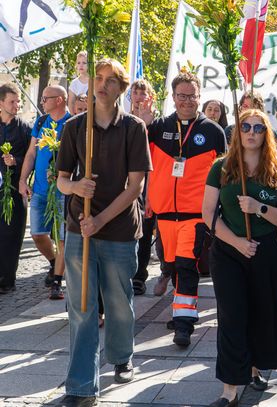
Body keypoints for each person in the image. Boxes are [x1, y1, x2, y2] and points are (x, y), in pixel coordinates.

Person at [55, 58, 152, 407]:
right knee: (81, 308)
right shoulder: (74, 127)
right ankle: (81, 386)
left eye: (111, 80)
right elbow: (62, 180)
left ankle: (122, 355)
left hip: (120, 228)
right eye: (98, 77)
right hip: (80, 229)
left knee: (118, 303)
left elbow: (135, 186)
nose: (102, 84)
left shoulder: (134, 128)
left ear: (121, 89)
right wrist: (77, 187)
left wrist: (102, 219)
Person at [202, 108, 277, 406]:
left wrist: (259, 208)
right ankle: (229, 389)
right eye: (245, 127)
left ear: (266, 133)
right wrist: (237, 242)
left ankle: (255, 367)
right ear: (237, 133)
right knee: (231, 316)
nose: (251, 132)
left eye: (258, 127)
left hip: (267, 250)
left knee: (263, 313)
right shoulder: (221, 167)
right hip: (229, 251)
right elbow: (207, 214)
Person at [139, 70, 227, 347]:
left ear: (199, 97)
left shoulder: (213, 131)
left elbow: (223, 174)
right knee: (172, 264)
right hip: (164, 213)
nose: (187, 101)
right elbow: (143, 162)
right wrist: (142, 123)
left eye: (192, 96)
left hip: (195, 213)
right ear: (173, 97)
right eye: (182, 96)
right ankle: (182, 309)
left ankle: (184, 324)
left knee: (187, 265)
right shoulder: (157, 127)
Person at [19, 85, 71, 299]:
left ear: (59, 100)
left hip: (62, 192)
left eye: (45, 99)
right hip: (40, 189)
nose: (42, 102)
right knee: (38, 234)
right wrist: (23, 180)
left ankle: (57, 282)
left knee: (61, 239)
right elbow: (32, 153)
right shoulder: (41, 122)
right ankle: (53, 263)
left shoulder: (72, 123)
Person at [0, 83, 32, 293]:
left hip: (15, 188)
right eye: (12, 101)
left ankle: (7, 279)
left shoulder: (25, 129)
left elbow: (32, 158)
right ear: (1, 103)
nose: (16, 105)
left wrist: (16, 161)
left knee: (12, 234)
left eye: (18, 101)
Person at [129, 79, 158, 296]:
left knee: (145, 228)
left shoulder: (158, 124)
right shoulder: (122, 118)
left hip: (149, 180)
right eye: (135, 92)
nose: (139, 96)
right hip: (125, 179)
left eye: (143, 92)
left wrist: (146, 124)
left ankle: (139, 276)